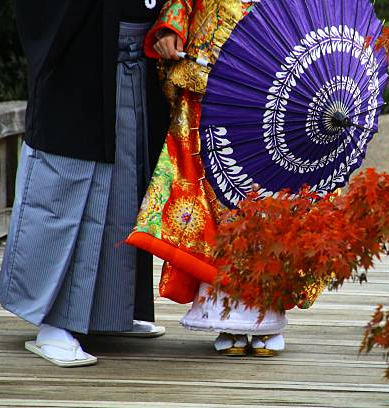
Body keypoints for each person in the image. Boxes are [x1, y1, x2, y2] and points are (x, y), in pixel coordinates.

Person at [0, 1, 170, 367]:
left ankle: (109, 313)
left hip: (135, 63)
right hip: (79, 67)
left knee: (123, 191)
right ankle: (52, 323)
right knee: (68, 193)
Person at [126, 0, 287, 357]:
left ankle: (266, 314)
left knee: (261, 191)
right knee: (213, 186)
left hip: (270, 67)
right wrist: (173, 26)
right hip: (207, 65)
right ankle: (221, 310)